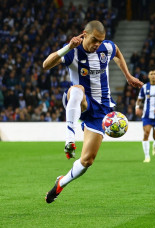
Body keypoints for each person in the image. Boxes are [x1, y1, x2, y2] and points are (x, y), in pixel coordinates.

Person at [42, 20, 143, 203]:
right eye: (94, 40)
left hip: (102, 109)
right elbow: (46, 65)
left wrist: (128, 76)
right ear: (84, 34)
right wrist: (67, 47)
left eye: (100, 41)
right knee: (77, 88)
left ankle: (60, 183)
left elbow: (117, 51)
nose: (97, 44)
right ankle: (69, 138)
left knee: (87, 160)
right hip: (78, 100)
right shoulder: (73, 50)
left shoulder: (106, 48)